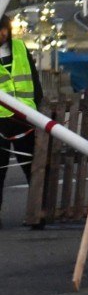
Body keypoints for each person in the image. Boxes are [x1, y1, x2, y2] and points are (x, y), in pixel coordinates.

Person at [0, 15, 42, 227]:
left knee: (31, 168)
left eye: (4, 29)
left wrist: (38, 109)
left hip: (23, 118)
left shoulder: (19, 48)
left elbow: (34, 79)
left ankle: (37, 215)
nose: (3, 34)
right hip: (0, 121)